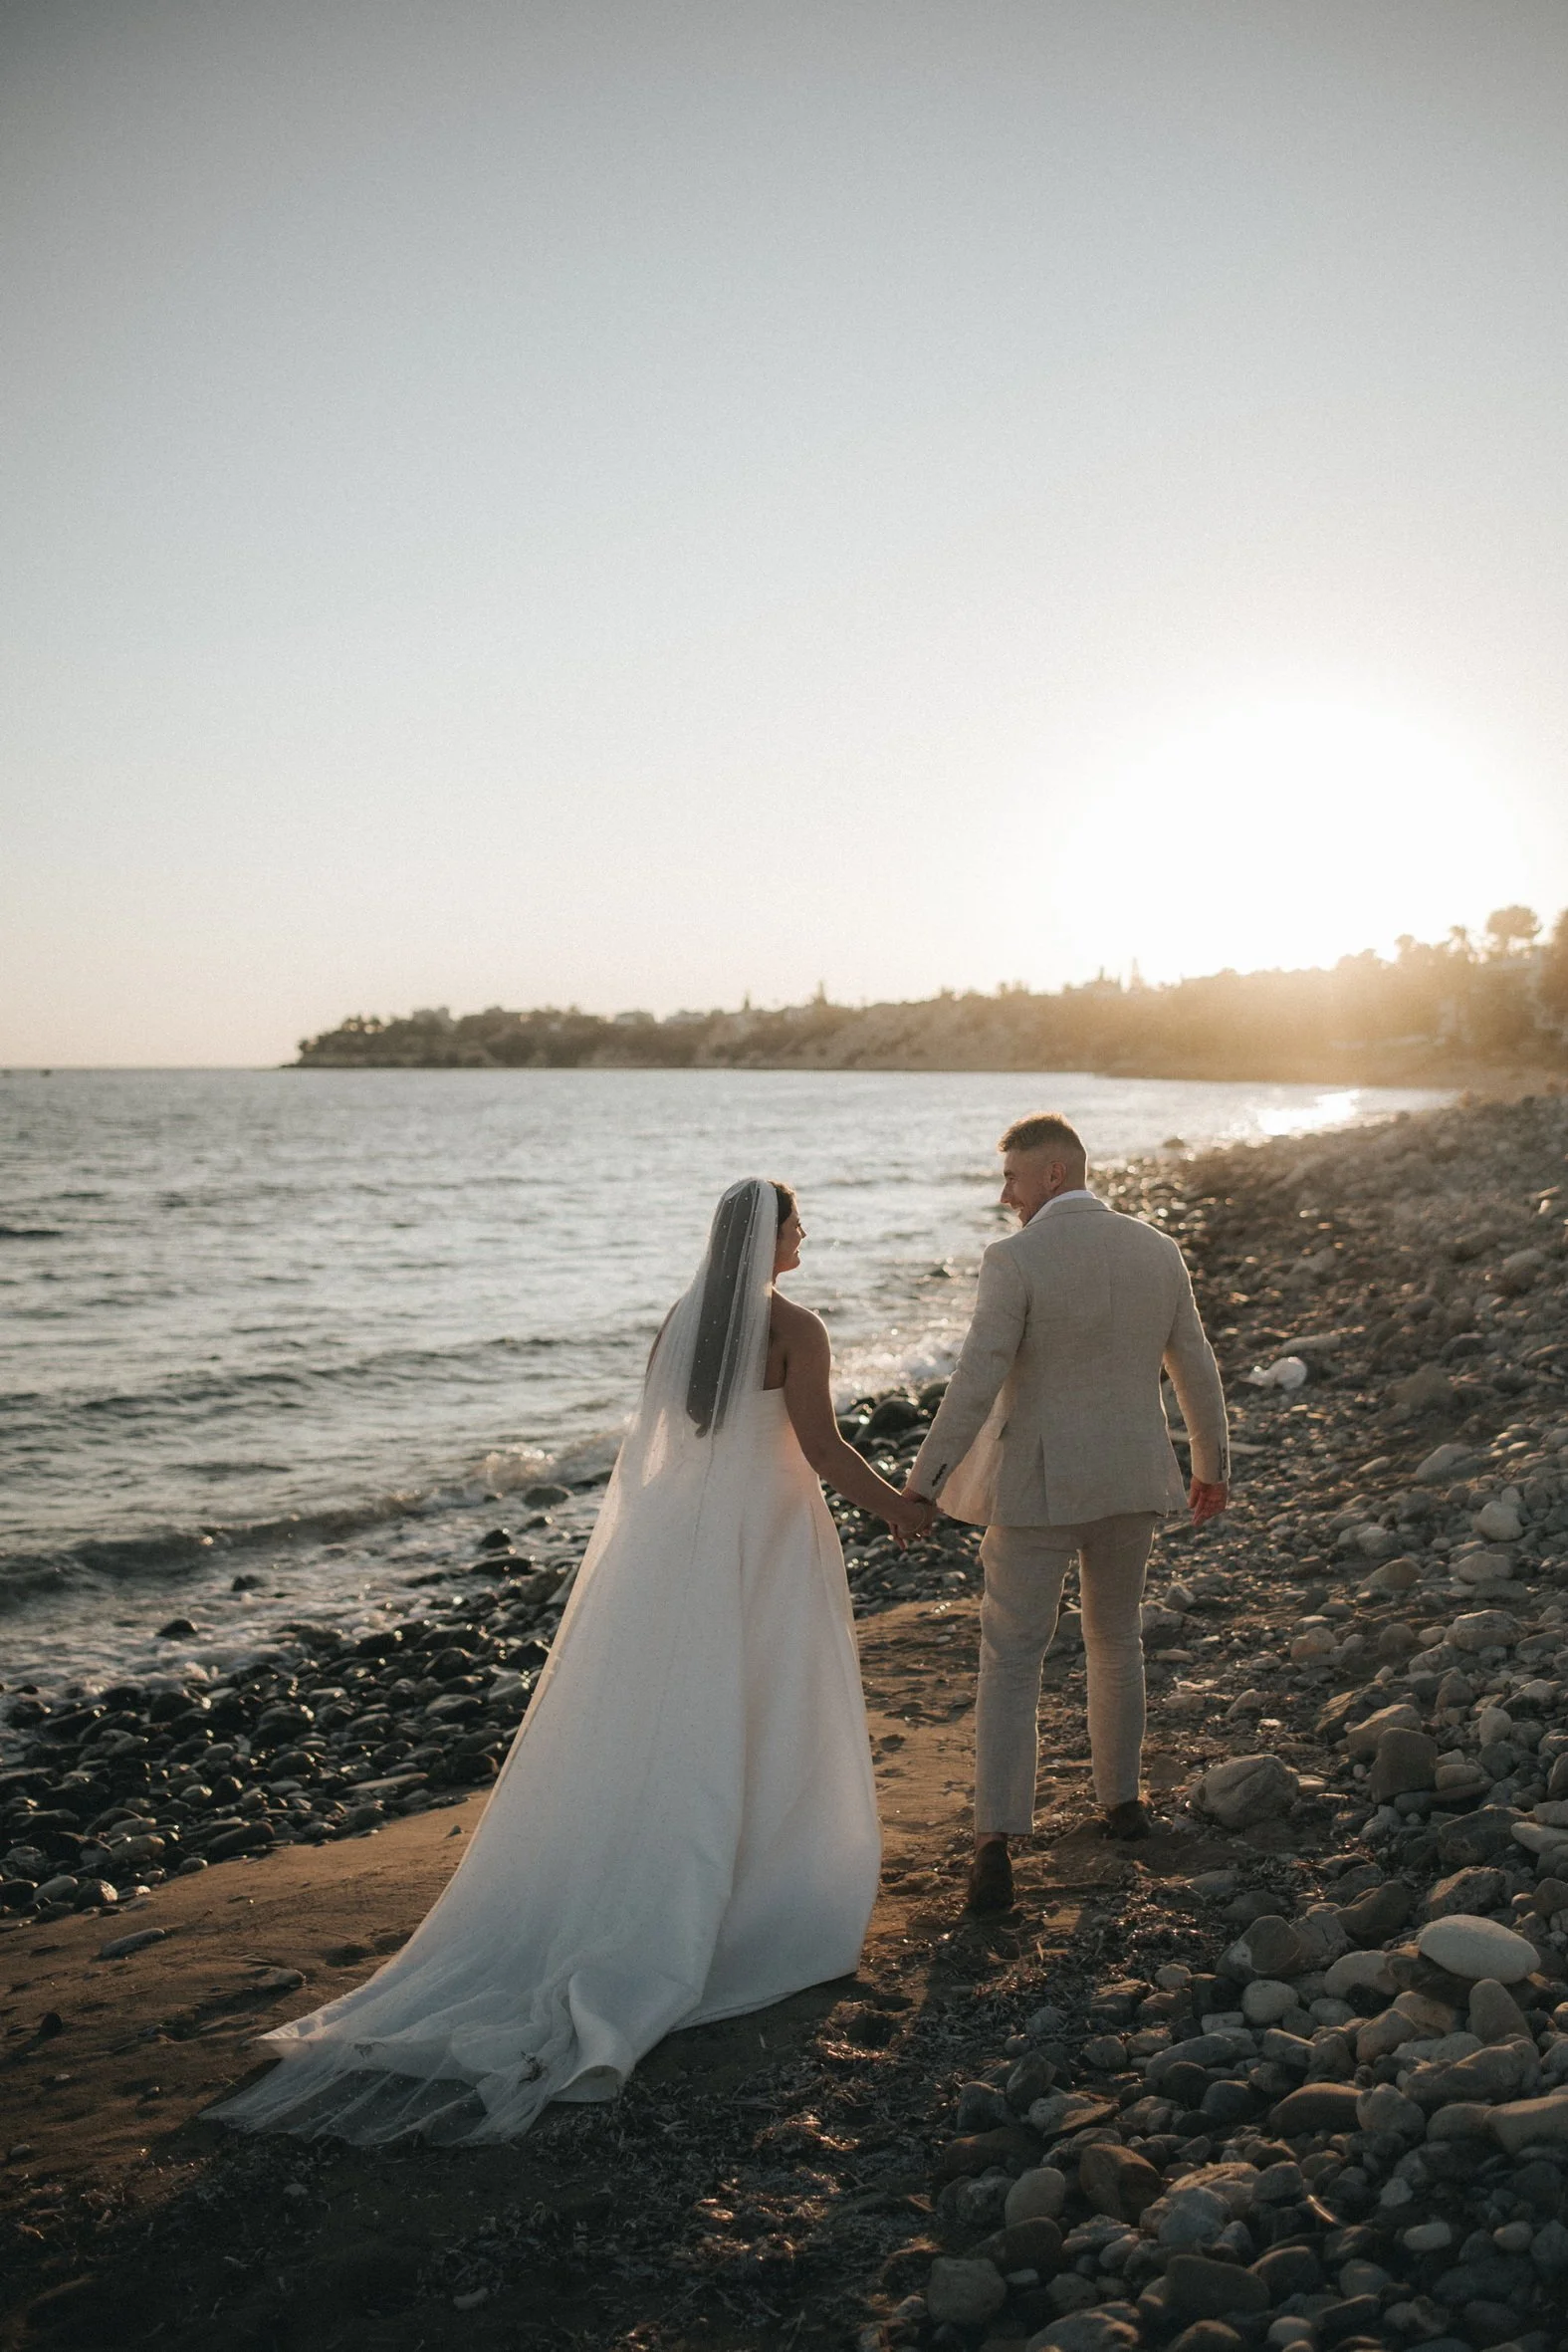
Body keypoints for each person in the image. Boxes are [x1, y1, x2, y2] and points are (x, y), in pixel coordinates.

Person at [210, 1178, 926, 2144]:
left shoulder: (682, 1319)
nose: (808, 1235)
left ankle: (678, 1868)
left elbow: (665, 1444)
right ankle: (759, 1897)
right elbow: (823, 1446)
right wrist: (898, 1505)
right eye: (799, 1223)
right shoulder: (795, 1322)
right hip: (765, 1537)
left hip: (683, 1541)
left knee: (682, 1714)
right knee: (769, 1707)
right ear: (770, 1236)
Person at [901, 1114, 1229, 1914]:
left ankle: (995, 1842)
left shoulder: (1014, 1258)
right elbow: (1193, 1360)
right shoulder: (1155, 1249)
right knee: (1114, 1638)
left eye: (1011, 1178)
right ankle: (1121, 1804)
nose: (1003, 1195)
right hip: (1131, 1479)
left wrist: (923, 1483)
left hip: (1037, 1489)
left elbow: (977, 1375)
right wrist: (1210, 1467)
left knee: (1013, 1657)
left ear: (1052, 1174)